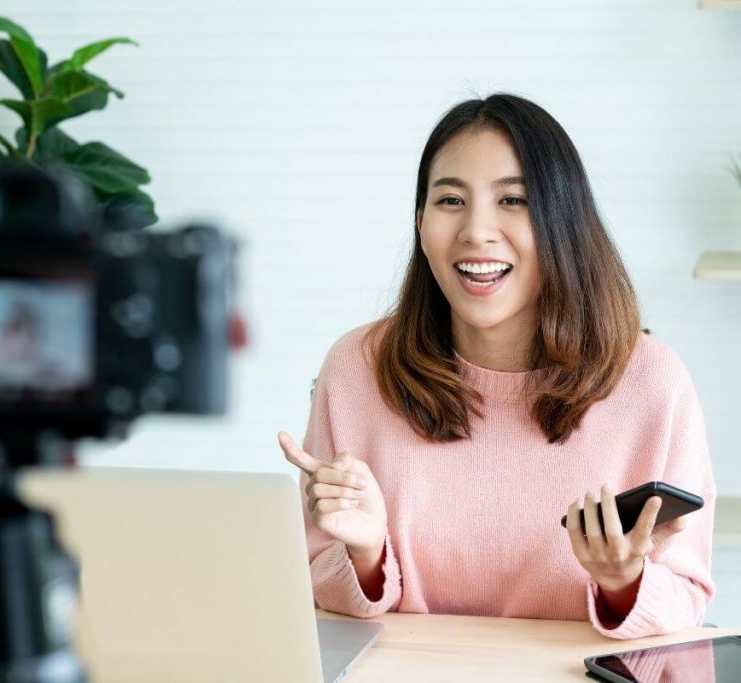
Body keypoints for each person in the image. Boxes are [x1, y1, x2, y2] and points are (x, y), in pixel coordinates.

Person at [277, 93, 715, 640]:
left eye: (513, 200)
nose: (476, 232)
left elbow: (688, 599)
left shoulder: (652, 382)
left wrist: (623, 581)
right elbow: (317, 586)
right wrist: (365, 554)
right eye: (450, 201)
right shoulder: (356, 369)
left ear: (564, 222)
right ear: (420, 224)